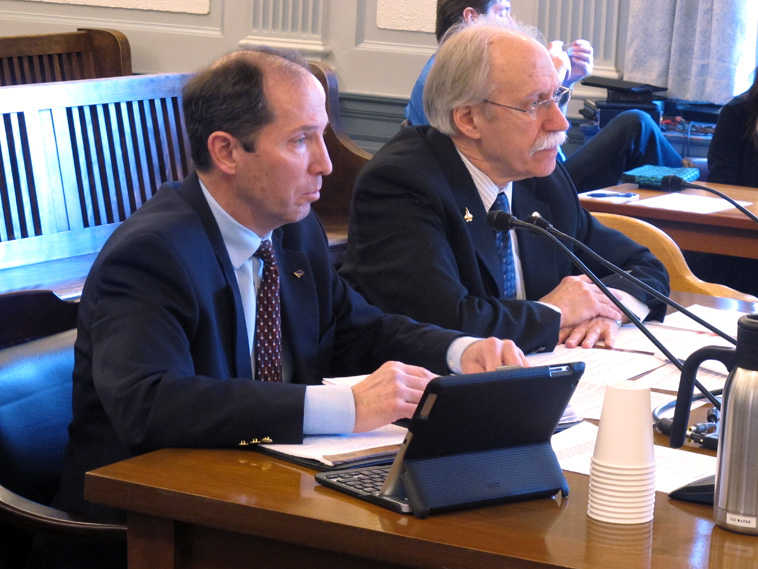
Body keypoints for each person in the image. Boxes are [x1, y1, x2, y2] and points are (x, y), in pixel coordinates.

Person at [51, 48, 527, 566]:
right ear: (228, 151)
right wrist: (345, 409)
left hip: (259, 494)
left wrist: (461, 352)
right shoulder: (153, 253)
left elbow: (356, 328)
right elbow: (150, 403)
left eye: (322, 135)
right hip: (142, 528)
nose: (325, 161)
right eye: (302, 140)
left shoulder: (293, 228)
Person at [341, 19, 669, 355]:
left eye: (557, 96)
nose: (560, 122)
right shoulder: (402, 185)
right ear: (468, 119)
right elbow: (443, 325)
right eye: (534, 104)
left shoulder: (542, 180)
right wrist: (554, 313)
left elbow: (644, 267)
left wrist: (607, 313)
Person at [404, 0, 683, 192]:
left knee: (638, 126)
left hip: (530, 171)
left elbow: (536, 128)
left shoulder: (454, 66)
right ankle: (697, 191)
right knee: (635, 125)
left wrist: (563, 80)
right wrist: (554, 75)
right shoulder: (448, 75)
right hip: (522, 183)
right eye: (503, 11)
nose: (511, 21)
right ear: (471, 17)